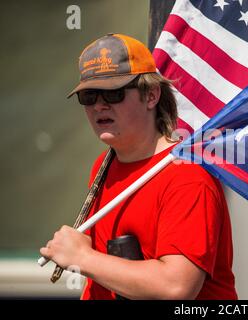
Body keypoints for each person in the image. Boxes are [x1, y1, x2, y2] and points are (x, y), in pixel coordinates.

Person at [40, 33, 237, 300]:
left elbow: (176, 287)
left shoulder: (187, 176)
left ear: (151, 95)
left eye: (113, 93)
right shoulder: (105, 164)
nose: (99, 105)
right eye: (89, 96)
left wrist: (83, 257)